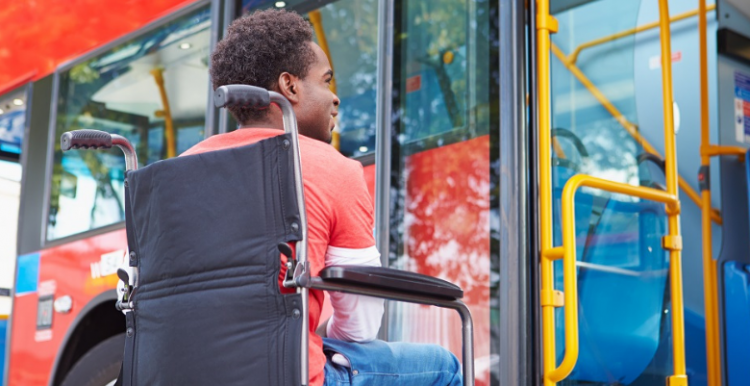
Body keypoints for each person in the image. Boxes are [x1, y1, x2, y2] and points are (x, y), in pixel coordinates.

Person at [184, 9, 462, 386]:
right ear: (290, 86)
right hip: (291, 376)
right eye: (326, 81)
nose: (335, 99)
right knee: (443, 365)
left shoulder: (179, 169)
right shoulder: (331, 167)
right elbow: (361, 327)